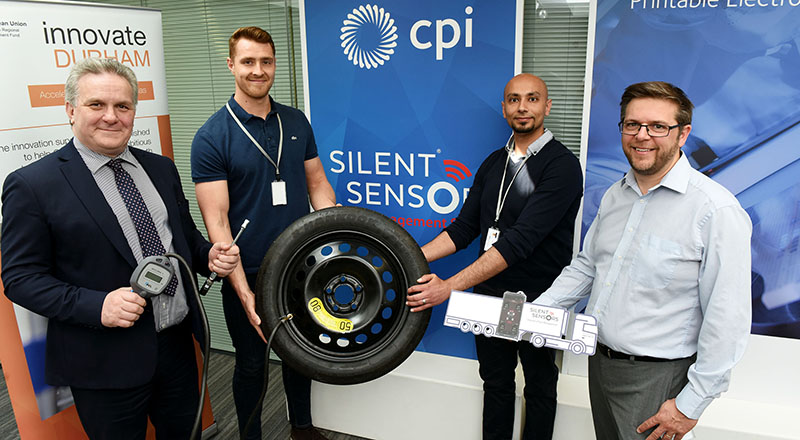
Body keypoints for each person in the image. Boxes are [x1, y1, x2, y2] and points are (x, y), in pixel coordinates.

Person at [0, 58, 240, 440]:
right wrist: (97, 306)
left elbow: (182, 238)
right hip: (103, 360)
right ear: (70, 110)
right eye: (97, 105)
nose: (111, 116)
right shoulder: (32, 185)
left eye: (123, 106)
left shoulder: (160, 168)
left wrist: (206, 254)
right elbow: (20, 279)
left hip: (176, 344)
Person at [534, 81, 752, 440]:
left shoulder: (714, 210)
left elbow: (727, 318)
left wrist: (689, 405)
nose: (642, 136)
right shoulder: (614, 196)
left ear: (683, 134)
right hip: (600, 365)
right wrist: (537, 314)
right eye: (632, 124)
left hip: (657, 379)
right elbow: (588, 267)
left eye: (658, 127)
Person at [406, 73, 583, 439]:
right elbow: (463, 230)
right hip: (491, 296)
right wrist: (404, 257)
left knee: (539, 383)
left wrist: (449, 287)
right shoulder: (492, 163)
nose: (523, 107)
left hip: (541, 298)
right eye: (514, 99)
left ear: (546, 107)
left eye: (532, 99)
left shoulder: (561, 166)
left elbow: (519, 242)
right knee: (496, 382)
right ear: (504, 108)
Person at [191, 26, 337, 440]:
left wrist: (343, 230)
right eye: (249, 62)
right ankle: (251, 435)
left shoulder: (295, 120)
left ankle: (302, 428)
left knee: (300, 354)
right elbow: (216, 223)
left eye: (266, 62)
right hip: (250, 271)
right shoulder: (211, 136)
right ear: (232, 65)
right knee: (252, 363)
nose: (259, 70)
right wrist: (244, 292)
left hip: (301, 264)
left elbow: (317, 185)